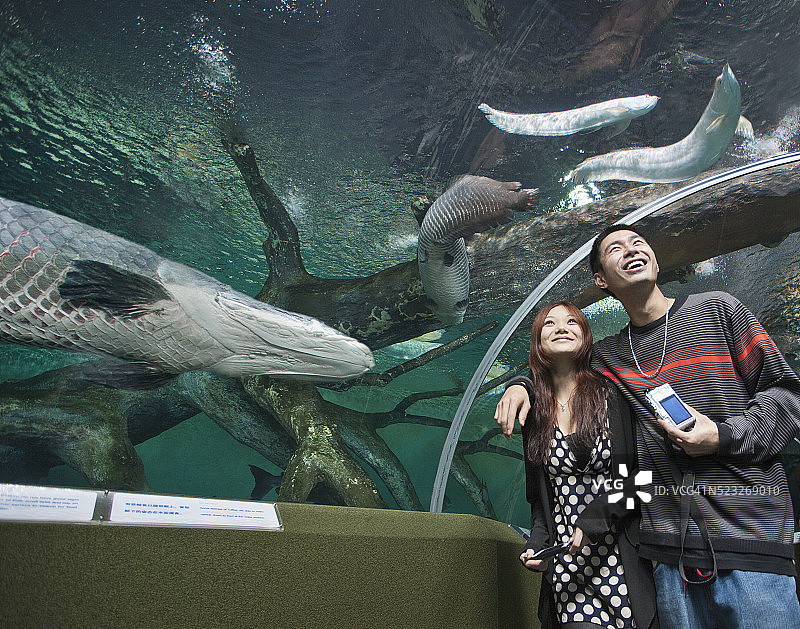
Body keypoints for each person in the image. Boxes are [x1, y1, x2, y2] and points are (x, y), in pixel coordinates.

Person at [496, 225, 800, 628]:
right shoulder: (610, 357)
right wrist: (518, 386)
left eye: (639, 242)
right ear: (601, 280)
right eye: (615, 248)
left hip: (749, 541)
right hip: (667, 559)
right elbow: (558, 367)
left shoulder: (717, 309)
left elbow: (788, 394)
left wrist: (723, 436)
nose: (631, 249)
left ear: (655, 260)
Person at [496, 300, 658, 629]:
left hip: (620, 557)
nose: (561, 328)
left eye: (572, 322)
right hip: (568, 568)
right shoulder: (534, 413)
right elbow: (541, 501)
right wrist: (537, 546)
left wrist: (593, 521)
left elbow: (637, 483)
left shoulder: (611, 395)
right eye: (549, 324)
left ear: (585, 336)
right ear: (538, 342)